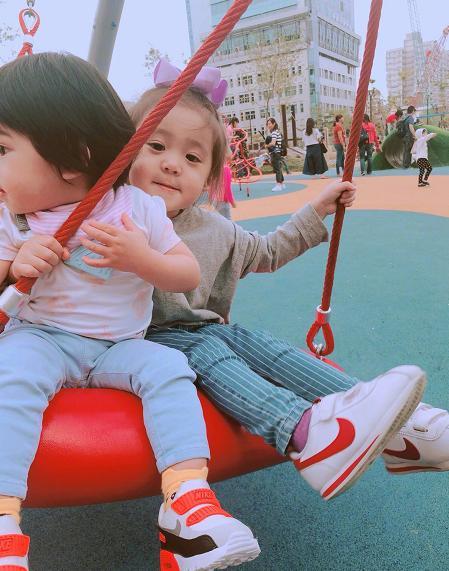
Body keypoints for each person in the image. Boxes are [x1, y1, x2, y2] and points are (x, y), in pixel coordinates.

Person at [0, 53, 260, 571]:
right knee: (13, 374)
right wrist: (13, 265)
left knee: (170, 368)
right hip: (41, 335)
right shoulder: (14, 217)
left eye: (3, 149)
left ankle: (187, 504)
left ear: (73, 157)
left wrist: (142, 259)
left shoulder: (136, 207)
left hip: (119, 346)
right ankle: (4, 519)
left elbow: (186, 273)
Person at [129, 73, 434, 514]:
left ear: (210, 176)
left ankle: (403, 427)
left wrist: (318, 208)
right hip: (142, 342)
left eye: (192, 157)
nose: (172, 164)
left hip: (202, 330)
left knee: (260, 345)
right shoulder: (108, 214)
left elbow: (268, 251)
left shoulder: (215, 229)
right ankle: (305, 436)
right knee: (207, 353)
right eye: (156, 146)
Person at [265, 117, 285, 192]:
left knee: (277, 169)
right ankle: (282, 184)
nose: (268, 125)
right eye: (268, 124)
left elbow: (273, 143)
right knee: (278, 168)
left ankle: (278, 185)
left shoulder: (274, 132)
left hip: (275, 152)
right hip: (278, 152)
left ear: (274, 124)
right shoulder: (277, 131)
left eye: (270, 123)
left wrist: (266, 145)